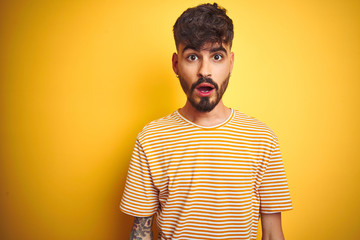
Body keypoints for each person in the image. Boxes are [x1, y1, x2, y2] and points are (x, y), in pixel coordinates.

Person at [120, 3, 292, 240]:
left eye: (217, 56)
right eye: (192, 57)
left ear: (230, 63)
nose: (205, 71)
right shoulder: (151, 138)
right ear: (176, 64)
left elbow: (273, 233)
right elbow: (141, 232)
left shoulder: (262, 138)